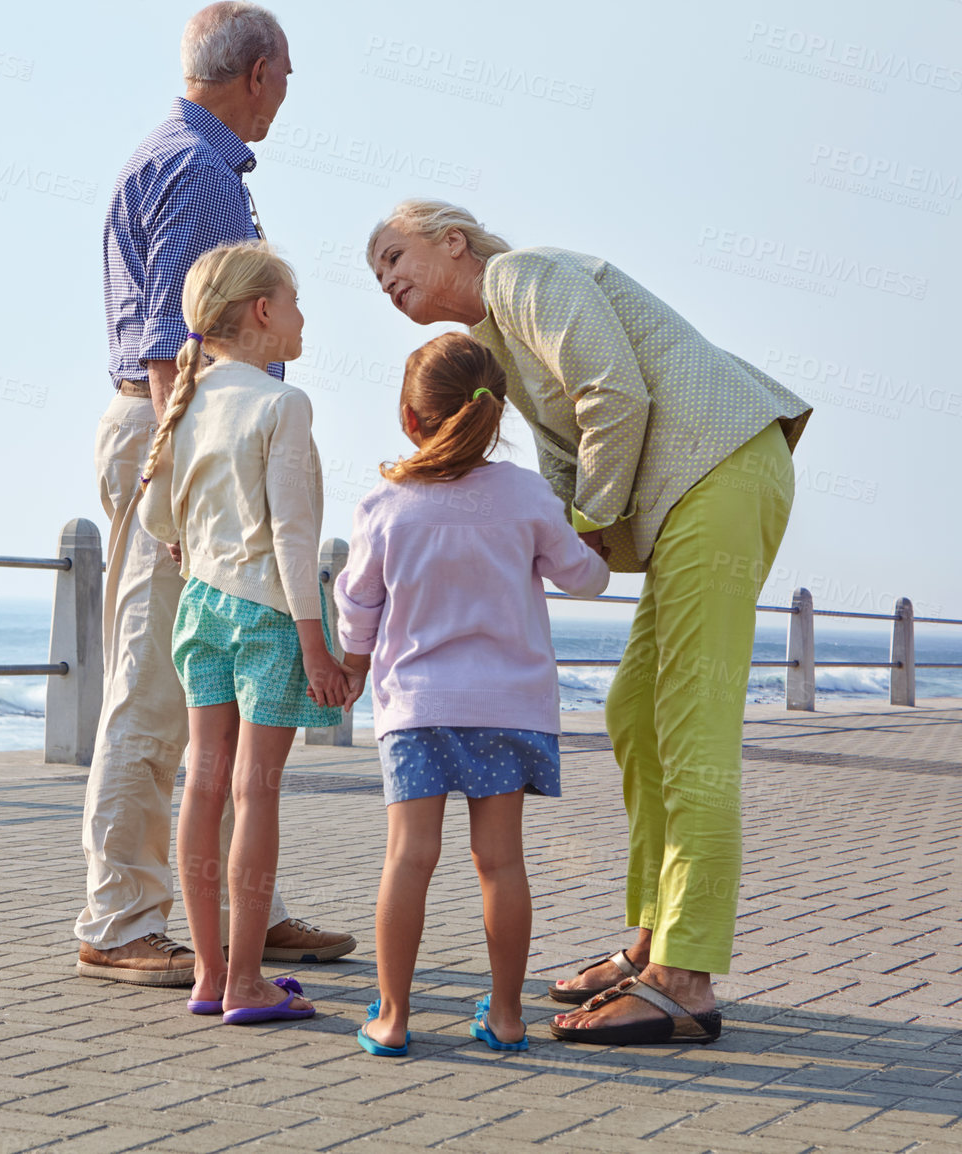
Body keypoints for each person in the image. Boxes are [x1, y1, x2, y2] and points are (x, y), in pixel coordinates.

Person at [367, 200, 812, 1045]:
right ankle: (651, 941)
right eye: (375, 273)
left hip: (718, 472)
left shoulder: (522, 275)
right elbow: (566, 466)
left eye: (394, 255)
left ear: (452, 241)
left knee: (690, 732)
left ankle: (685, 977)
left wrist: (579, 526)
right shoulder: (495, 348)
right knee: (634, 715)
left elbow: (616, 394)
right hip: (691, 494)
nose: (386, 278)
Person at [78, 2, 354, 986]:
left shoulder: (191, 159)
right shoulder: (196, 171)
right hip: (189, 449)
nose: (288, 91)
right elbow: (172, 352)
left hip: (192, 444)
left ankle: (248, 908)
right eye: (288, 74)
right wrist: (193, 490)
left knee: (225, 686)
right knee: (164, 684)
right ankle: (120, 916)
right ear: (261, 69)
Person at [335, 333, 610, 1056]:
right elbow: (583, 577)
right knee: (502, 863)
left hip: (418, 710)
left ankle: (392, 1018)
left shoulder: (387, 505)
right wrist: (598, 544)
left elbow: (358, 603)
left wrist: (356, 666)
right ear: (495, 414)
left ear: (410, 416)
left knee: (409, 859)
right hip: (509, 707)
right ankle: (510, 1015)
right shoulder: (526, 495)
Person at [139, 242, 358, 1023]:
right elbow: (294, 536)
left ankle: (207, 974)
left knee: (202, 786)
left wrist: (195, 541)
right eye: (295, 303)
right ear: (263, 312)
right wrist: (315, 641)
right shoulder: (281, 402)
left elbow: (161, 517)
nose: (303, 318)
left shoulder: (188, 402)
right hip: (268, 614)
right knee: (255, 794)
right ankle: (247, 983)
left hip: (200, 609)